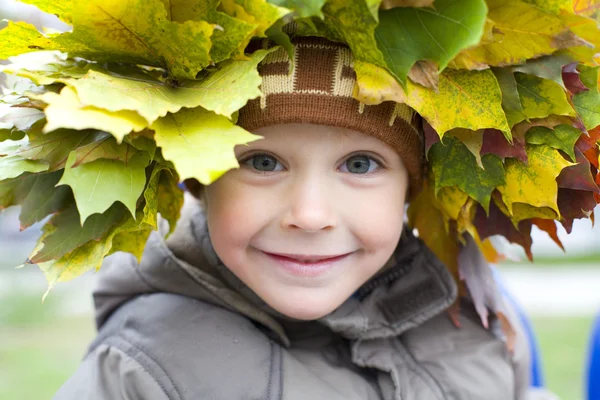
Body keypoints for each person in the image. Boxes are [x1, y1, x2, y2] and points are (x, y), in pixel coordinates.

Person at [54, 36, 532, 399]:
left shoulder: (478, 328)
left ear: (410, 188)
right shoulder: (140, 372)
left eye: (360, 164)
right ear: (203, 179)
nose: (309, 215)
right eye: (263, 163)